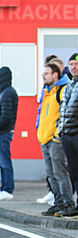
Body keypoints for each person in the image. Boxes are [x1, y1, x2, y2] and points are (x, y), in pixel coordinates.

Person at [36, 63, 74, 216]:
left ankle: (68, 204)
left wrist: (58, 136)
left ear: (55, 75)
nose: (43, 76)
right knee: (51, 174)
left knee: (60, 173)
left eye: (46, 73)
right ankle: (58, 203)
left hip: (54, 139)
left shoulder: (63, 90)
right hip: (44, 138)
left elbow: (65, 114)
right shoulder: (47, 92)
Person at [0, 67, 18, 201]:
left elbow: (5, 116)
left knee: (4, 161)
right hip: (4, 131)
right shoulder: (7, 92)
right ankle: (5, 188)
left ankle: (7, 189)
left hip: (3, 132)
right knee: (3, 161)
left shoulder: (7, 93)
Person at [58, 53, 78, 209]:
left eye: (76, 64)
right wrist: (61, 129)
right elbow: (63, 109)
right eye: (71, 64)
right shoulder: (69, 86)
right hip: (67, 134)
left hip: (76, 133)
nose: (73, 67)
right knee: (73, 171)